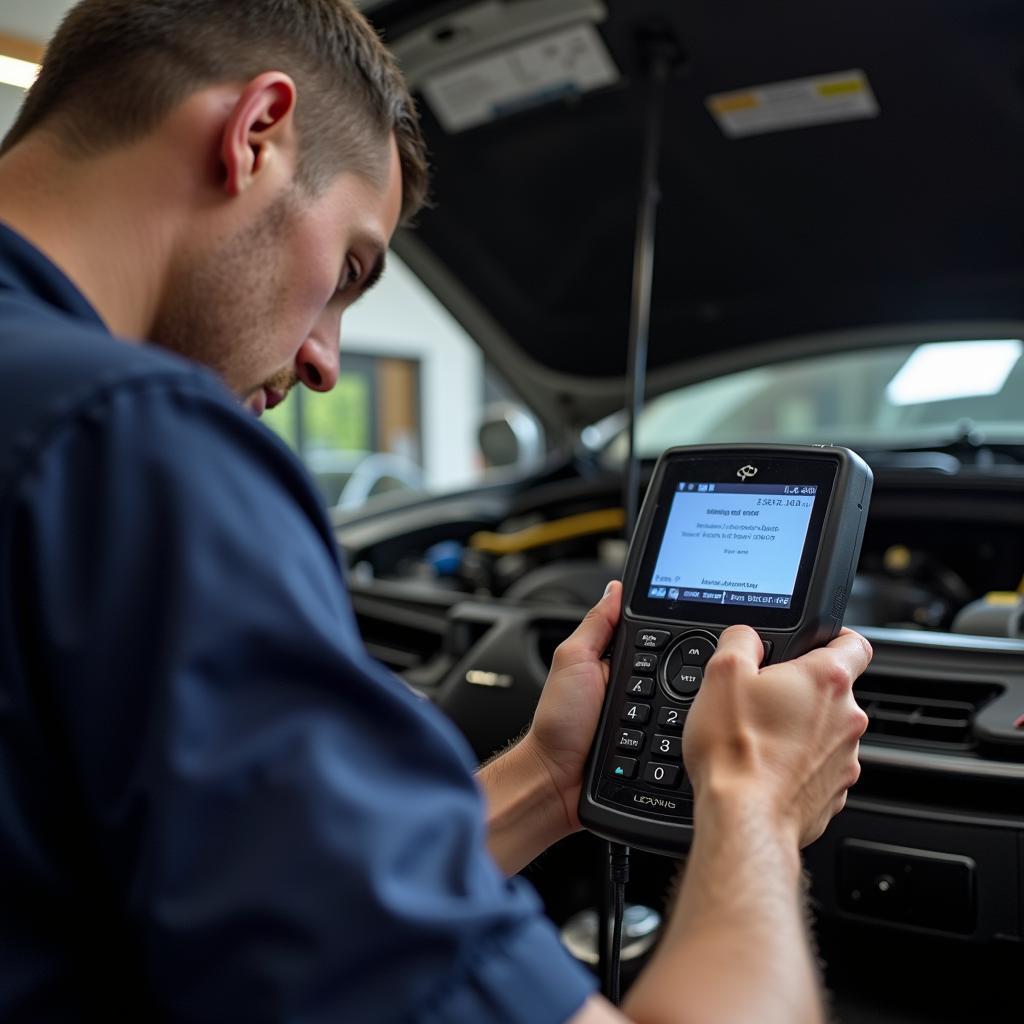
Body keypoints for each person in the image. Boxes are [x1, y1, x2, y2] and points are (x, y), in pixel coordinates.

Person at [0, 1, 872, 1021]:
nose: (324, 360)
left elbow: (277, 904)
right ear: (254, 135)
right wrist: (754, 803)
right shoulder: (135, 442)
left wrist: (552, 782)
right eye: (351, 270)